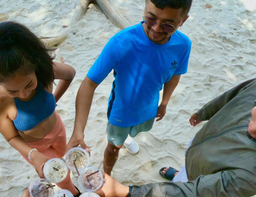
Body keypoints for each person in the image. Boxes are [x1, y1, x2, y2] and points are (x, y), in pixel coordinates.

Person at [95, 76, 256, 197]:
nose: (251, 129)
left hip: (203, 177)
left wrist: (128, 191)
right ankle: (181, 174)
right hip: (199, 148)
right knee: (186, 171)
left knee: (186, 183)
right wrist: (205, 112)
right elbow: (231, 95)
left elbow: (193, 193)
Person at [66, 0, 192, 175]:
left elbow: (175, 75)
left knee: (134, 132)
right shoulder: (120, 43)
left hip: (148, 110)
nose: (156, 29)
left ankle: (126, 139)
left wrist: (164, 102)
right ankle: (107, 175)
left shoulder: (183, 45)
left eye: (168, 25)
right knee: (113, 148)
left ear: (183, 21)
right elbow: (89, 84)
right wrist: (78, 131)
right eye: (151, 18)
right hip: (121, 113)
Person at [0, 21, 79, 196]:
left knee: (61, 156)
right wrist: (32, 154)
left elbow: (70, 74)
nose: (23, 94)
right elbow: (12, 137)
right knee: (60, 175)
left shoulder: (45, 71)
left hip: (57, 130)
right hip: (34, 147)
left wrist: (52, 100)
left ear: (35, 68)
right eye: (12, 90)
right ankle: (74, 193)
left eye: (29, 84)